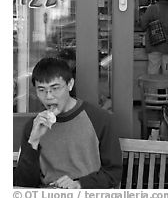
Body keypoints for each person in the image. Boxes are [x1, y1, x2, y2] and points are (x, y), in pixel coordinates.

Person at [14, 57, 122, 188]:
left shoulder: (99, 119)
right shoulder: (34, 126)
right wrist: (33, 141)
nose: (48, 96)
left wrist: (79, 184)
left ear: (70, 84)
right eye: (41, 90)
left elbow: (113, 173)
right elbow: (24, 184)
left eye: (55, 88)